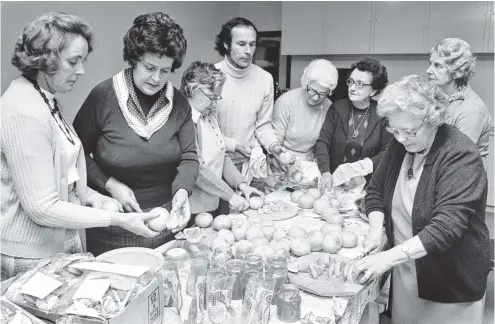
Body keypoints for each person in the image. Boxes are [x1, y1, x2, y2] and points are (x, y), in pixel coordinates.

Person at [1, 12, 160, 279]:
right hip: (29, 254)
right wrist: (119, 220)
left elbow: (61, 177)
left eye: (83, 61)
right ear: (45, 58)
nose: (82, 70)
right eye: (73, 61)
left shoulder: (46, 98)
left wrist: (95, 197)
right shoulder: (23, 111)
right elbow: (43, 207)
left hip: (58, 242)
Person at [355, 75, 490, 324]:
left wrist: (387, 257)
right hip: (408, 269)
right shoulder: (400, 146)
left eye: (409, 131)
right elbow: (374, 191)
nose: (400, 138)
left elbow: (446, 227)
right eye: (393, 129)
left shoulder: (460, 155)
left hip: (450, 280)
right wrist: (376, 230)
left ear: (433, 121)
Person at [73, 12, 199, 255]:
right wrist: (110, 184)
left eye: (165, 71)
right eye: (149, 68)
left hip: (166, 220)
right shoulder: (103, 97)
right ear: (134, 59)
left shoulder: (180, 103)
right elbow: (76, 155)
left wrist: (183, 191)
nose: (156, 78)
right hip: (114, 222)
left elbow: (189, 157)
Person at [213, 17, 291, 191]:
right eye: (241, 44)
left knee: (258, 215)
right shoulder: (211, 76)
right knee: (223, 217)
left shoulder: (265, 79)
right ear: (226, 44)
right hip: (218, 165)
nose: (248, 51)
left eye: (252, 44)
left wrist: (274, 147)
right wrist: (234, 145)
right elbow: (204, 132)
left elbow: (263, 126)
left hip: (254, 164)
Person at [180, 61, 264, 221]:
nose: (214, 104)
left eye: (217, 98)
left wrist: (242, 185)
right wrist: (230, 195)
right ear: (192, 90)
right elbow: (196, 168)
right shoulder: (186, 121)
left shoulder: (208, 116)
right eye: (211, 98)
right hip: (193, 209)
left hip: (213, 201)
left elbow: (222, 155)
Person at [316, 58, 392, 192]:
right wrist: (325, 172)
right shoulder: (337, 108)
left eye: (360, 84)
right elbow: (323, 142)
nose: (352, 88)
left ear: (373, 90)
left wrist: (365, 168)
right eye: (350, 81)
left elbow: (387, 151)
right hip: (335, 184)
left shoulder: (382, 114)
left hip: (367, 187)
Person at [268, 59, 338, 189]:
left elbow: (324, 144)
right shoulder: (286, 102)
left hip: (309, 168)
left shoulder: (329, 107)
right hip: (282, 165)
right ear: (305, 83)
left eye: (322, 94)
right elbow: (274, 144)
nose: (316, 97)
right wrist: (287, 164)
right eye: (312, 90)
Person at [427, 37, 491, 169]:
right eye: (430, 64)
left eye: (438, 66)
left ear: (457, 71)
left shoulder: (472, 110)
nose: (428, 70)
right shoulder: (436, 97)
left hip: (461, 178)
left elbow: (457, 157)